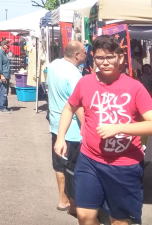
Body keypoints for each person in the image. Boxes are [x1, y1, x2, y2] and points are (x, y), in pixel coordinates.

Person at [54, 35, 152, 225]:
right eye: (99, 58)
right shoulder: (85, 82)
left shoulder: (134, 88)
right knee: (84, 216)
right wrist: (60, 137)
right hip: (90, 160)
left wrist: (118, 128)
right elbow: (69, 107)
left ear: (120, 58)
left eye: (109, 57)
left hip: (124, 165)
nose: (104, 62)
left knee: (120, 222)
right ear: (93, 59)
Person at [47, 41, 87, 216]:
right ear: (77, 55)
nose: (87, 55)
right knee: (74, 167)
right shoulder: (75, 75)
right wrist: (87, 127)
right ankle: (73, 204)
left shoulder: (54, 65)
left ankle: (62, 199)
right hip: (72, 129)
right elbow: (78, 105)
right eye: (85, 52)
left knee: (59, 164)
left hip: (56, 124)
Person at [0, 39, 12, 113]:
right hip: (3, 75)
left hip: (6, 75)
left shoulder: (4, 53)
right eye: (7, 45)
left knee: (6, 91)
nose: (8, 47)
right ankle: (2, 107)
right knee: (3, 91)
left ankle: (5, 106)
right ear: (3, 45)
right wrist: (1, 75)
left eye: (8, 45)